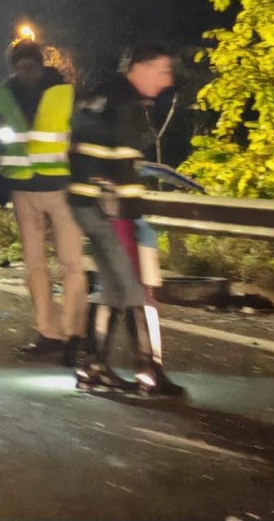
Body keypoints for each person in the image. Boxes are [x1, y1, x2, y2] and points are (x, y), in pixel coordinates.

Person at [68, 43, 185, 397]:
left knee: (116, 288)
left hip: (91, 205)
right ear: (141, 68)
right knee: (130, 287)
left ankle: (94, 366)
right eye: (162, 71)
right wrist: (131, 214)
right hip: (109, 209)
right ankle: (145, 369)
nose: (166, 82)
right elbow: (118, 168)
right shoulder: (122, 104)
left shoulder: (106, 97)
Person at [0, 39, 86, 364]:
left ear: (39, 63)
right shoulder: (6, 97)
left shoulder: (62, 94)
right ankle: (53, 335)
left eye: (28, 63)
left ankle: (71, 336)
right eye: (20, 64)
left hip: (58, 190)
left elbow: (80, 137)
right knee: (43, 267)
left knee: (68, 265)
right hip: (30, 190)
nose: (24, 70)